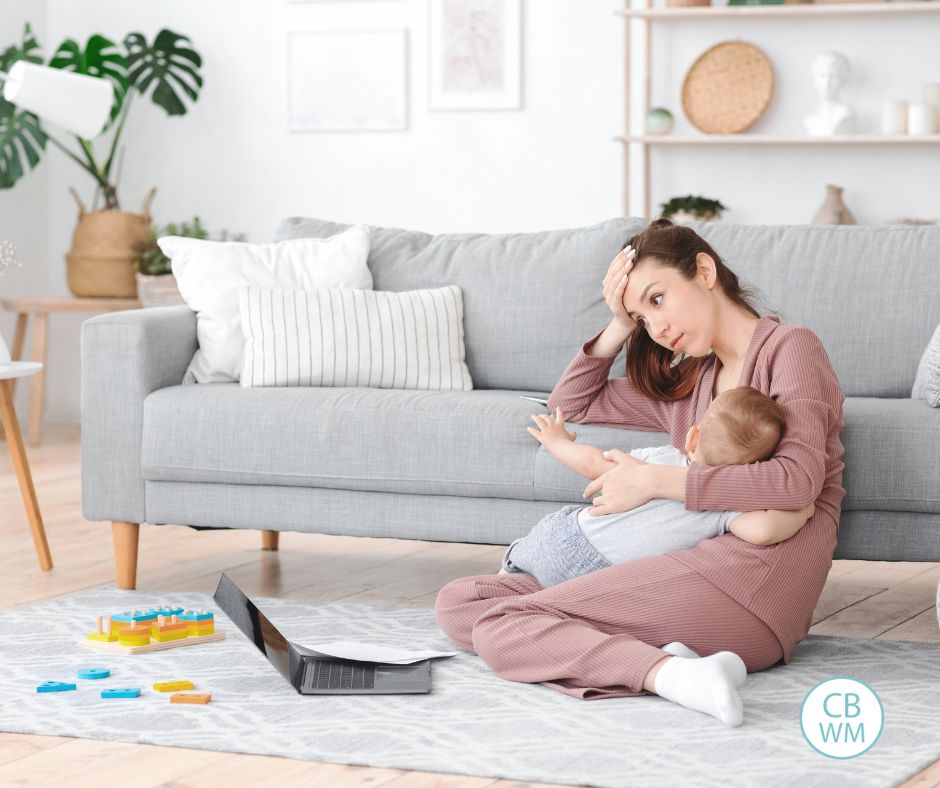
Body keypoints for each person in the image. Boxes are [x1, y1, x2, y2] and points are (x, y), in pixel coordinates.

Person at [435, 218, 846, 727]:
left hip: (756, 580)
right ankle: (674, 664)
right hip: (681, 564)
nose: (658, 327)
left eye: (657, 300)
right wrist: (618, 324)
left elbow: (797, 481)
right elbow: (571, 403)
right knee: (462, 603)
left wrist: (656, 481)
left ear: (703, 270)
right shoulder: (691, 384)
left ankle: (664, 673)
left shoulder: (791, 347)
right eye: (642, 318)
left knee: (500, 628)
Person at [499, 387, 816, 589]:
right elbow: (764, 531)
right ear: (753, 470)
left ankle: (508, 572)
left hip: (563, 538)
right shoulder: (727, 506)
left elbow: (593, 464)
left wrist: (557, 442)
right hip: (605, 580)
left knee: (520, 563)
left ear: (692, 438)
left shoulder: (660, 459)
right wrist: (806, 507)